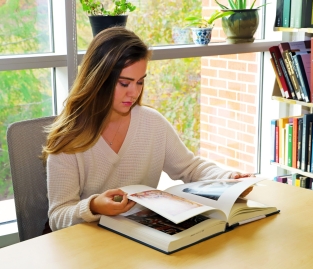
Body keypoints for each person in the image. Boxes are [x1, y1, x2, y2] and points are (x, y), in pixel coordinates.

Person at [42, 27, 254, 232]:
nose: (133, 93)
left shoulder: (152, 124)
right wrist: (93, 206)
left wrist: (229, 179)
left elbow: (190, 168)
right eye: (124, 83)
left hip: (139, 236)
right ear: (99, 79)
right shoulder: (69, 138)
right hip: (88, 246)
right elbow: (58, 217)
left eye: (140, 82)